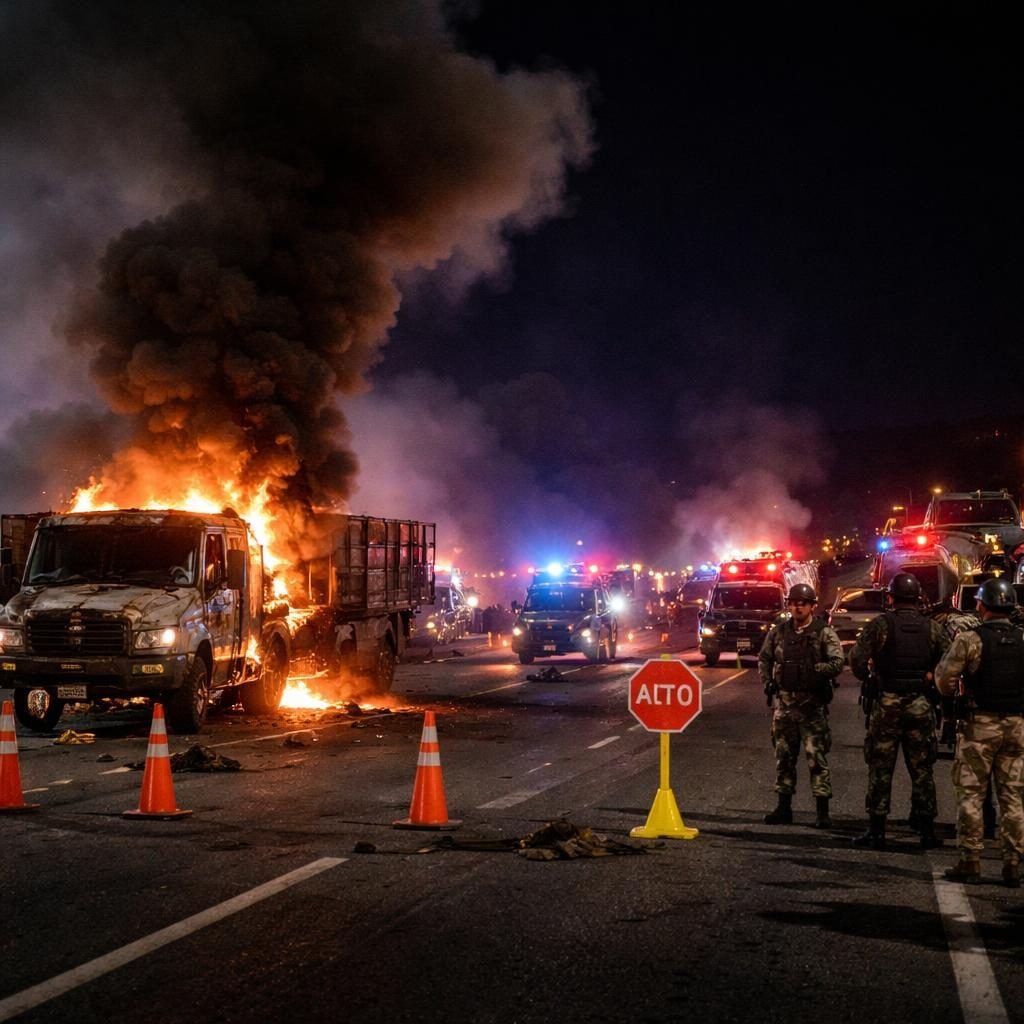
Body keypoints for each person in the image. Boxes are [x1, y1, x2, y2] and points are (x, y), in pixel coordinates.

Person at [848, 573, 949, 850]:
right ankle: (926, 831)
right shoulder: (932, 628)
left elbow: (856, 659)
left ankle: (877, 831)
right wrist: (930, 677)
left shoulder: (881, 625)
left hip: (887, 703)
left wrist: (869, 675)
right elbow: (949, 661)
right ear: (917, 599)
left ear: (890, 598)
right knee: (922, 769)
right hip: (920, 704)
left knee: (881, 768)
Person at [935, 577, 1024, 887]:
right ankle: (1013, 864)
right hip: (1016, 726)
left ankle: (970, 861)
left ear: (983, 605)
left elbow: (945, 680)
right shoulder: (1023, 639)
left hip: (979, 725)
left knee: (972, 794)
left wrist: (958, 695)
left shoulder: (970, 639)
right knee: (1013, 797)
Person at [759, 583, 844, 827]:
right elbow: (764, 659)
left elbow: (838, 661)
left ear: (812, 606)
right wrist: (768, 682)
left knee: (816, 759)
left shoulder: (823, 632)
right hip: (784, 706)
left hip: (812, 707)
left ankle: (822, 813)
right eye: (793, 602)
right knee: (783, 758)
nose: (797, 606)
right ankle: (783, 808)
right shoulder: (779, 632)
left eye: (802, 602)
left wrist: (816, 671)